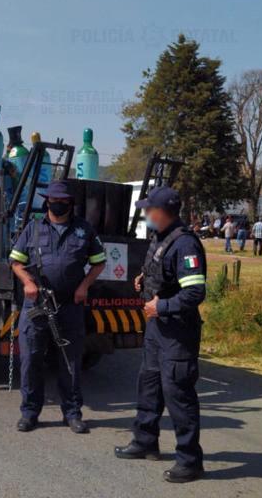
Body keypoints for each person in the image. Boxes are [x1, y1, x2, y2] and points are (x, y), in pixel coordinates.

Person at [114, 186, 206, 483]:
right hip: (156, 328)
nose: (145, 214)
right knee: (149, 385)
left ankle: (190, 461)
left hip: (177, 331)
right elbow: (158, 270)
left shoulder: (185, 245)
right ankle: (145, 442)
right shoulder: (161, 238)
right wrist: (144, 280)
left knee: (178, 394)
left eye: (148, 209)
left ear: (162, 212)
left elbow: (195, 292)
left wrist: (162, 306)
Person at [9, 181, 107, 434]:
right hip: (37, 304)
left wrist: (84, 286)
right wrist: (28, 282)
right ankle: (29, 413)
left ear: (71, 203)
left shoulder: (83, 230)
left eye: (64, 200)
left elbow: (98, 263)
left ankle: (72, 413)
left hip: (69, 305)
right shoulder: (33, 228)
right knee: (31, 360)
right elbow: (16, 262)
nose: (59, 203)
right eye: (55, 199)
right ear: (47, 201)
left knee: (70, 362)